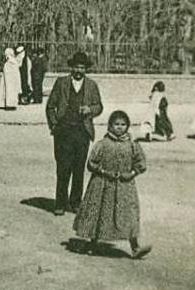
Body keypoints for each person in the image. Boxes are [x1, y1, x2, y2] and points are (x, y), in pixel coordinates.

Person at [72, 111, 151, 259]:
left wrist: (132, 173)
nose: (120, 128)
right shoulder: (102, 144)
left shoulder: (132, 145)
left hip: (124, 187)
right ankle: (93, 243)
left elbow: (141, 163)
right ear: (110, 126)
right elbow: (91, 163)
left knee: (129, 215)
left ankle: (135, 247)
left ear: (127, 126)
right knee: (99, 213)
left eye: (123, 125)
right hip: (102, 185)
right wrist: (102, 171)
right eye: (116, 124)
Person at [45, 52, 103, 216]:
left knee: (79, 168)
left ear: (86, 69)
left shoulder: (91, 85)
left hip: (82, 131)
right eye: (76, 67)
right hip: (63, 132)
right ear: (71, 67)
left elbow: (99, 106)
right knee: (63, 168)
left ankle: (76, 203)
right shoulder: (61, 83)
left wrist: (89, 110)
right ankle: (60, 203)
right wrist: (55, 125)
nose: (79, 70)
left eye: (82, 67)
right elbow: (50, 106)